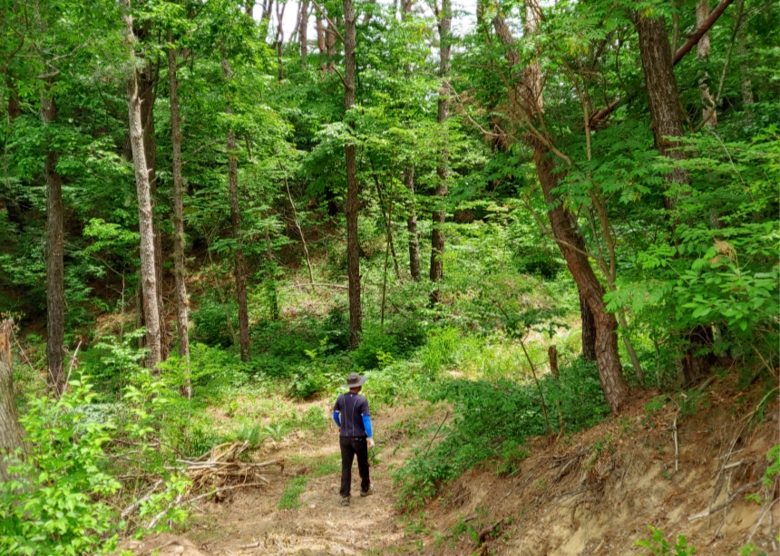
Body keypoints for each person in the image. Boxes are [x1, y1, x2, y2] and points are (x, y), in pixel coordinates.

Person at [332, 372, 374, 506]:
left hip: (344, 437)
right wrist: (370, 436)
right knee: (363, 464)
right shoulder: (362, 400)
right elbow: (366, 420)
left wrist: (340, 425)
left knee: (346, 466)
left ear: (350, 386)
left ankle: (345, 496)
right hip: (359, 438)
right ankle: (365, 489)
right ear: (359, 386)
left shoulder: (340, 399)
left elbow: (334, 415)